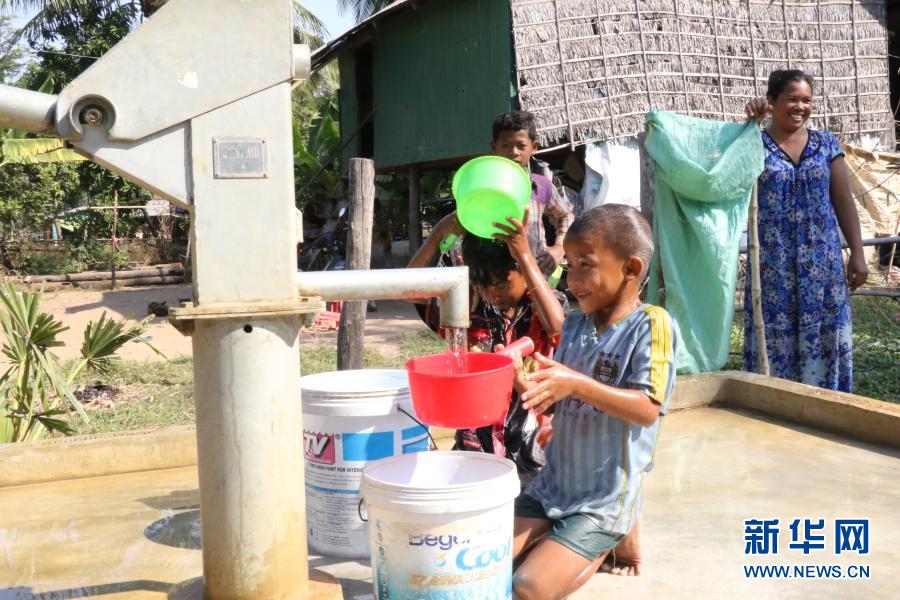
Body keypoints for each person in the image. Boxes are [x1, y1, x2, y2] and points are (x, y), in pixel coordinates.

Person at [506, 205, 678, 599]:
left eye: (586, 265)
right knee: (484, 559)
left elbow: (647, 409)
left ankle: (610, 539)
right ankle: (585, 540)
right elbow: (560, 405)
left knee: (528, 587)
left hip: (602, 500)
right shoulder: (577, 325)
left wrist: (576, 384)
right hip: (553, 486)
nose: (573, 279)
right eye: (569, 265)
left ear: (631, 269)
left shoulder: (652, 324)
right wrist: (526, 385)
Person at [407, 209, 567, 483]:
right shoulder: (467, 313)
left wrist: (524, 254)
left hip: (533, 460)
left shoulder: (541, 309)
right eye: (483, 285)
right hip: (473, 453)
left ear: (523, 271)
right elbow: (409, 290)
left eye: (502, 284)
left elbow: (558, 327)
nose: (492, 293)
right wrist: (437, 234)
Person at [744, 69, 868, 392]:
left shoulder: (826, 144)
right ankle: (776, 407)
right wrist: (747, 124)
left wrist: (857, 253)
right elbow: (720, 168)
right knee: (775, 339)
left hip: (823, 266)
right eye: (792, 99)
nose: (801, 107)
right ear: (771, 102)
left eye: (807, 100)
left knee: (826, 337)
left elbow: (843, 200)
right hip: (774, 267)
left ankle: (827, 405)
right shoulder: (752, 143)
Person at [492, 111, 575, 277]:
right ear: (494, 148)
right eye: (505, 145)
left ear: (534, 147)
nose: (513, 152)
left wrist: (559, 248)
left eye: (521, 146)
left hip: (537, 277)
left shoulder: (540, 184)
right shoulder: (484, 186)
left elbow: (566, 215)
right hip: (495, 281)